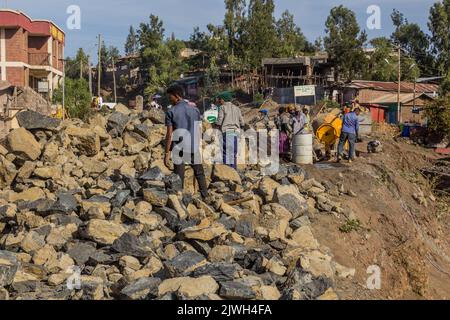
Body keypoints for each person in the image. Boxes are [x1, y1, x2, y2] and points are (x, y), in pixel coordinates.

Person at [164, 84, 209, 199]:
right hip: (193, 145)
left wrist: (166, 153)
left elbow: (169, 134)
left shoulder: (171, 111)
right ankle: (205, 195)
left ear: (177, 96)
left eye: (170, 97)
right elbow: (198, 129)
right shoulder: (195, 110)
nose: (170, 99)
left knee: (179, 176)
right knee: (199, 173)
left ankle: (179, 200)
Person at [216, 91, 244, 169]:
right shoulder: (237, 108)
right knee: (233, 152)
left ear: (224, 99)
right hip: (235, 132)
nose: (219, 101)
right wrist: (242, 127)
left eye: (220, 99)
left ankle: (228, 171)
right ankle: (234, 170)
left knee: (226, 152)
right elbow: (242, 121)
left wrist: (216, 126)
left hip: (226, 131)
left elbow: (220, 119)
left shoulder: (222, 107)